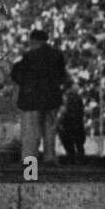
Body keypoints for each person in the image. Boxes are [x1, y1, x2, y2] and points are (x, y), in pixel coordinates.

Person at [10, 28, 65, 166]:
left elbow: (17, 75)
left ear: (34, 41)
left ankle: (30, 165)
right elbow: (62, 77)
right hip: (52, 99)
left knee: (31, 133)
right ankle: (50, 159)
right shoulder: (57, 55)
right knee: (50, 131)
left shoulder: (29, 56)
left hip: (32, 101)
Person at [58, 83, 87, 160]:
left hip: (68, 123)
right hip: (77, 123)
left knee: (70, 145)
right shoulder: (77, 97)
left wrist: (60, 122)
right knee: (79, 145)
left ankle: (72, 157)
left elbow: (63, 111)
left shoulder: (66, 97)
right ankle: (79, 158)